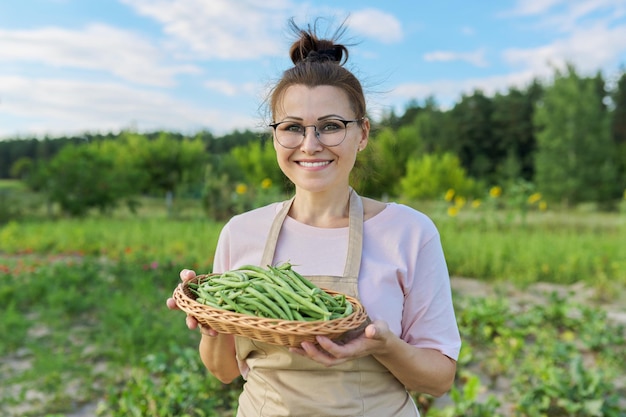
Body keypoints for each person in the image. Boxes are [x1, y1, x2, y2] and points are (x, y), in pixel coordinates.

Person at [167, 18, 461, 417]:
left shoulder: (409, 232)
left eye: (330, 127)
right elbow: (222, 371)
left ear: (362, 134)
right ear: (275, 137)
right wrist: (212, 322)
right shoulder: (241, 232)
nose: (310, 144)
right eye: (292, 128)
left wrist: (385, 345)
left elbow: (439, 379)